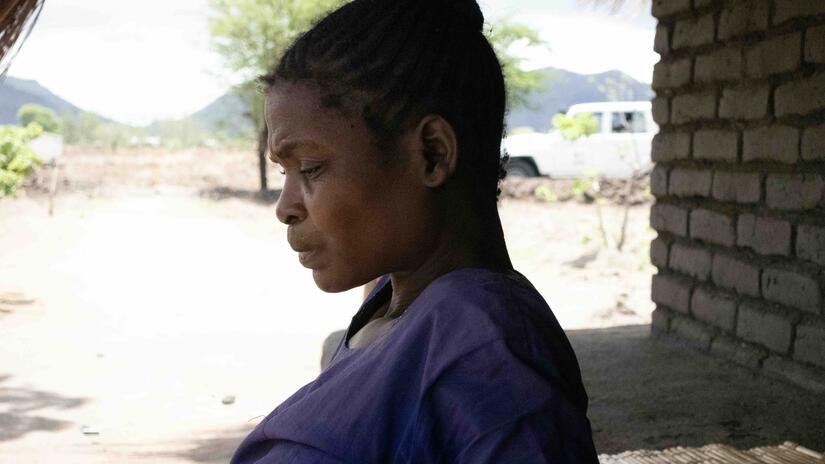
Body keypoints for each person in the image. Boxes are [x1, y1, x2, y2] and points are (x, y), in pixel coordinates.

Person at [230, 0, 599, 462]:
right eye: (284, 172)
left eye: (311, 167)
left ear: (431, 153)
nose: (285, 208)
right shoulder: (396, 304)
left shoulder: (490, 355)